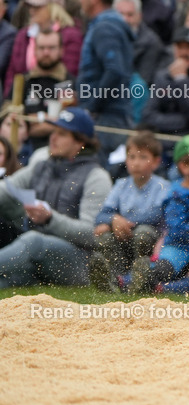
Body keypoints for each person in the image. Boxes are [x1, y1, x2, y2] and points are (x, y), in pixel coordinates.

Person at [0, 108, 112, 289]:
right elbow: (6, 189)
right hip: (38, 254)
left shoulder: (97, 177)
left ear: (80, 142)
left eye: (61, 134)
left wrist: (50, 218)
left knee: (34, 240)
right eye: (53, 131)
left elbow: (92, 234)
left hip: (77, 261)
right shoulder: (42, 165)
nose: (53, 138)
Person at [131, 134, 189, 295]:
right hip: (179, 246)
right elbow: (177, 228)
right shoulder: (176, 195)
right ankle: (130, 280)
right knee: (165, 269)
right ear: (185, 166)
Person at [89, 130, 170, 291]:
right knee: (102, 234)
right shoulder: (121, 184)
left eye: (143, 157)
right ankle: (113, 278)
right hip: (123, 236)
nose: (136, 163)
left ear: (155, 162)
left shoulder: (163, 185)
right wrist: (113, 220)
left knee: (143, 233)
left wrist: (123, 222)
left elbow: (156, 216)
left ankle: (140, 276)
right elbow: (102, 215)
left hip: (149, 238)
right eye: (132, 157)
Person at [69, 0, 134, 159]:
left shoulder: (105, 27)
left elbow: (115, 71)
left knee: (99, 167)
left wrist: (91, 107)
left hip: (108, 118)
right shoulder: (106, 24)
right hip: (109, 115)